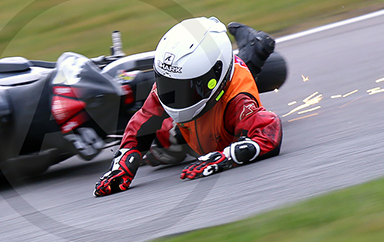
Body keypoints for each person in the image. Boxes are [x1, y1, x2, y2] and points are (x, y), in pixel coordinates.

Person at [94, 16, 283, 197]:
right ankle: (256, 48)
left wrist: (225, 157)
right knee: (163, 148)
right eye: (169, 85)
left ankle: (255, 49)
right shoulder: (166, 88)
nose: (174, 96)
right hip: (200, 130)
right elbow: (142, 121)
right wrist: (123, 164)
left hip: (217, 132)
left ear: (214, 79)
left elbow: (269, 130)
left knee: (168, 145)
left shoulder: (238, 101)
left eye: (186, 88)